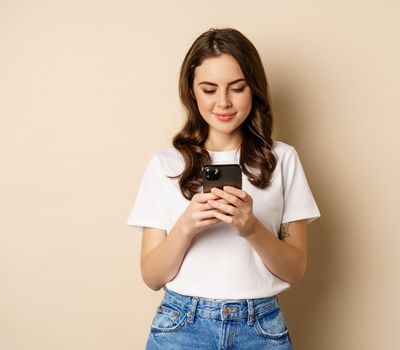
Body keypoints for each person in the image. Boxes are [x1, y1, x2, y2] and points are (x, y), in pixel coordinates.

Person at [127, 27, 320, 350]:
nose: (224, 102)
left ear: (254, 89)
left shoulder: (282, 159)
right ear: (192, 92)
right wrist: (187, 225)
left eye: (237, 88)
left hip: (260, 327)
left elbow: (295, 269)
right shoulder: (166, 165)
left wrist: (251, 228)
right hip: (181, 325)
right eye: (209, 89)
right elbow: (152, 276)